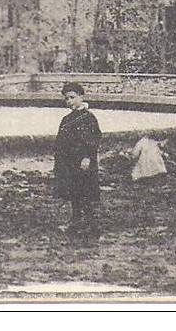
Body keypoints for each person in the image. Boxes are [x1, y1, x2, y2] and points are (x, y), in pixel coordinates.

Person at [53, 82, 101, 236]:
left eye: (73, 97)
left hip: (82, 161)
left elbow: (94, 139)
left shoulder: (88, 118)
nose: (69, 101)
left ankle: (90, 223)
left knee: (84, 192)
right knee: (73, 192)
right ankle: (76, 220)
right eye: (66, 98)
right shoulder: (67, 118)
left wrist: (87, 157)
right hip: (69, 161)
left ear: (81, 97)